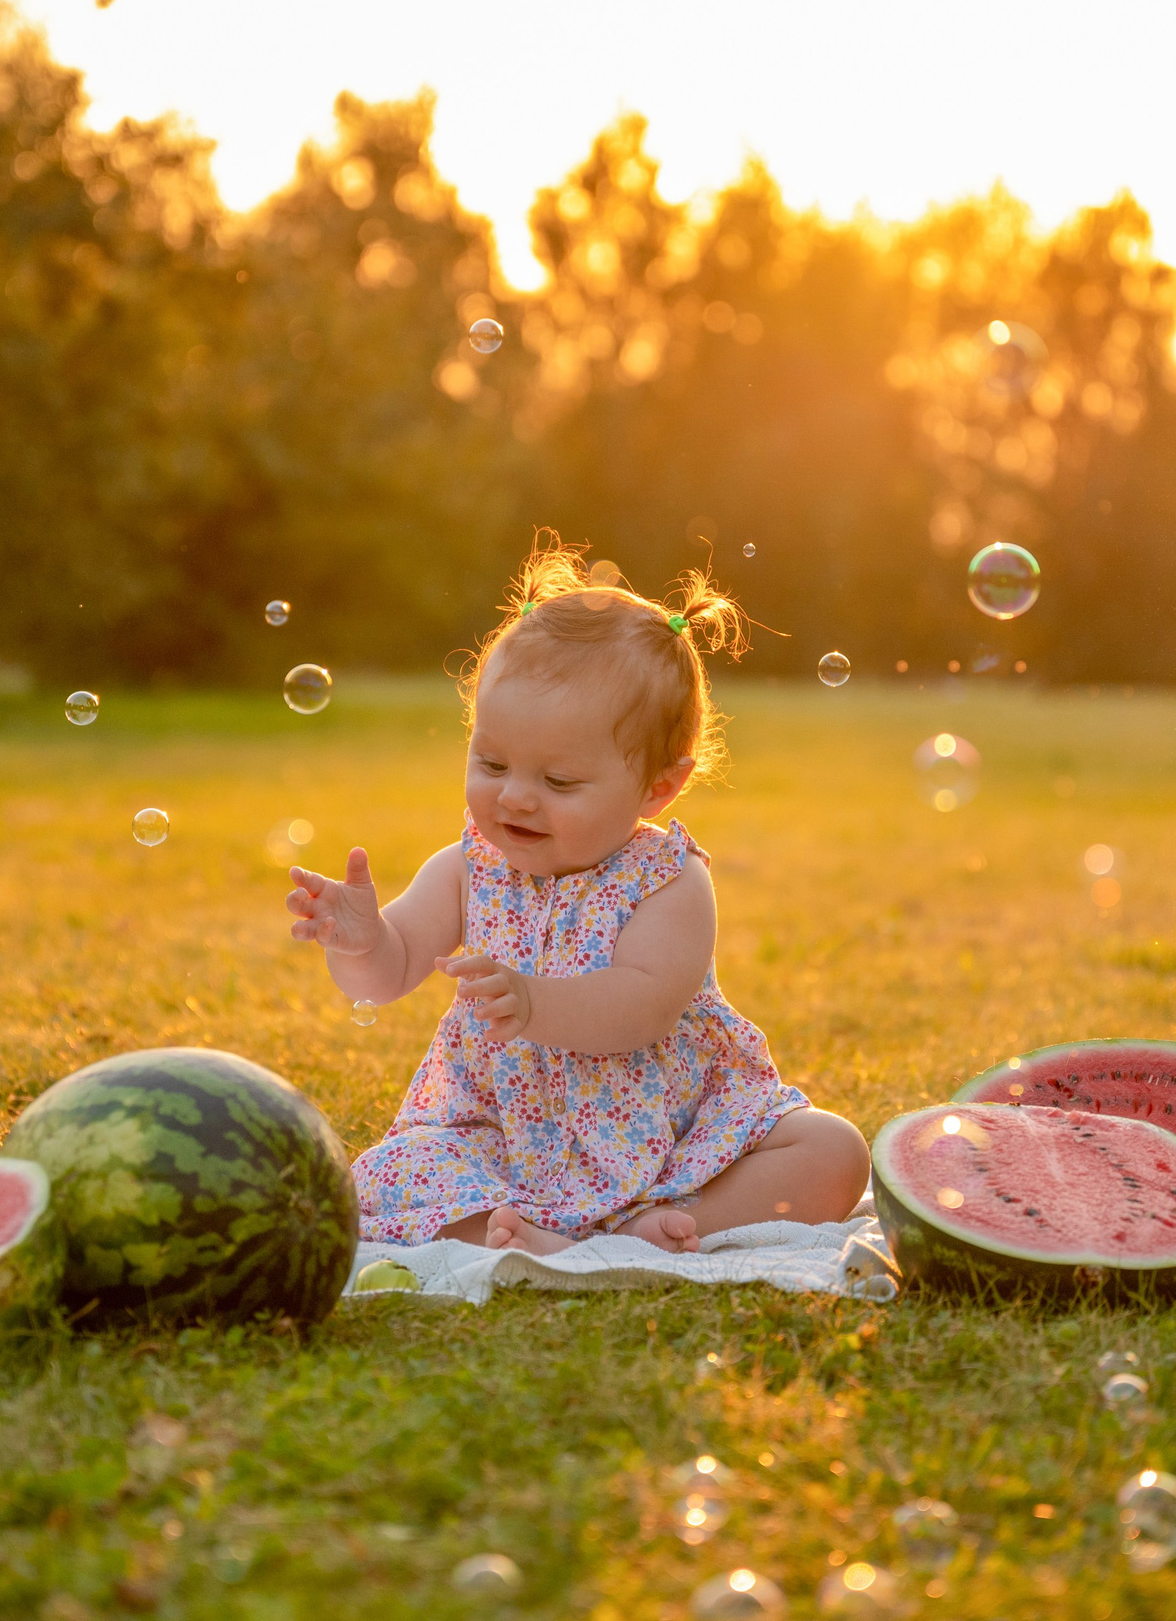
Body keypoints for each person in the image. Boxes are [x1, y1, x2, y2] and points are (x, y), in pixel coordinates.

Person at [284, 537, 871, 1256]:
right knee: (395, 1173)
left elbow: (641, 1006)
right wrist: (363, 940)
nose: (515, 796)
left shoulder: (669, 878)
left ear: (659, 786)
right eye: (491, 761)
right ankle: (511, 1229)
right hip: (506, 1138)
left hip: (672, 1138)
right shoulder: (471, 866)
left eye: (559, 782)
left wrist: (533, 1003)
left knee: (832, 1150)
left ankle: (658, 1228)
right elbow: (391, 969)